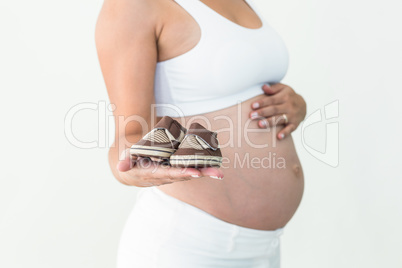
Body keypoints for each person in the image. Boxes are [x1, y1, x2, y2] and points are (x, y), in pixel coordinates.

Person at [95, 0, 306, 267]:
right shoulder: (133, 5)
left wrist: (296, 105)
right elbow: (129, 134)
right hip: (189, 247)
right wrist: (132, 164)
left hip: (265, 249)